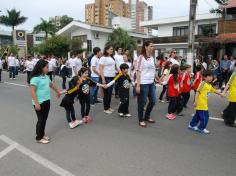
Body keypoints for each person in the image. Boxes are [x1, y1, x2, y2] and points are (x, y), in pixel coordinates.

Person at [30, 59, 61, 144]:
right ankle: (39, 138)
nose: (48, 69)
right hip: (39, 102)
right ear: (41, 68)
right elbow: (32, 91)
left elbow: (51, 85)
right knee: (41, 119)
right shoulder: (35, 79)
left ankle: (41, 134)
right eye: (47, 67)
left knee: (43, 119)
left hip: (47, 100)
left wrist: (58, 91)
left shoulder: (46, 77)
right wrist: (36, 103)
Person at [136, 41, 156, 127]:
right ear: (146, 47)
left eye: (153, 46)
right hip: (143, 83)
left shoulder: (152, 58)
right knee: (142, 102)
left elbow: (153, 70)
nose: (153, 48)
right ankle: (141, 119)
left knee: (153, 101)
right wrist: (138, 85)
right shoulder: (141, 57)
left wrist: (157, 79)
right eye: (151, 46)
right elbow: (138, 71)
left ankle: (147, 116)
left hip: (151, 83)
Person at [99, 44, 117, 114]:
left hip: (112, 77)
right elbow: (100, 69)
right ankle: (105, 108)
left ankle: (108, 107)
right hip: (106, 77)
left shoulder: (111, 57)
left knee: (109, 93)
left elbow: (114, 66)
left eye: (112, 49)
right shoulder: (103, 58)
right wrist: (103, 79)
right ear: (106, 50)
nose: (112, 50)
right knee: (107, 94)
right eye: (111, 49)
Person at [222, 63, 236, 127]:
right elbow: (229, 83)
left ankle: (225, 114)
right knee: (233, 108)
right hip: (234, 94)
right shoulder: (234, 74)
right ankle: (229, 122)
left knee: (231, 106)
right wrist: (224, 92)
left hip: (233, 94)